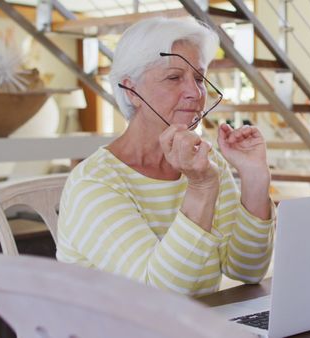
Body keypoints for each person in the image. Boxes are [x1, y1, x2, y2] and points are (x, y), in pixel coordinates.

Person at [56, 17, 274, 297]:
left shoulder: (207, 163)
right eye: (174, 78)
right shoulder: (95, 182)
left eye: (199, 78)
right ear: (131, 90)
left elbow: (247, 269)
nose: (195, 93)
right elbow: (159, 295)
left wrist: (255, 177)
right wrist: (201, 188)